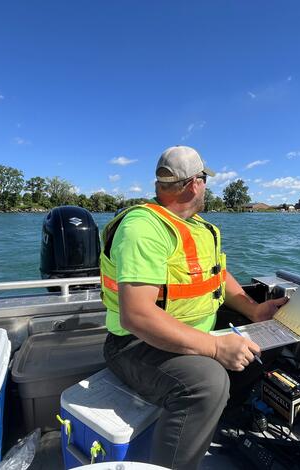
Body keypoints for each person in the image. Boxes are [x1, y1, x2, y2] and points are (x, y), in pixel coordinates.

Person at [100, 145, 287, 470]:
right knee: (207, 383)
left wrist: (255, 312)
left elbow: (218, 275)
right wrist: (215, 347)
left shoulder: (198, 227)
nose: (206, 186)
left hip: (191, 331)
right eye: (204, 179)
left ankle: (216, 421)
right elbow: (137, 315)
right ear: (193, 184)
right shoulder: (143, 229)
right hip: (134, 344)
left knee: (264, 338)